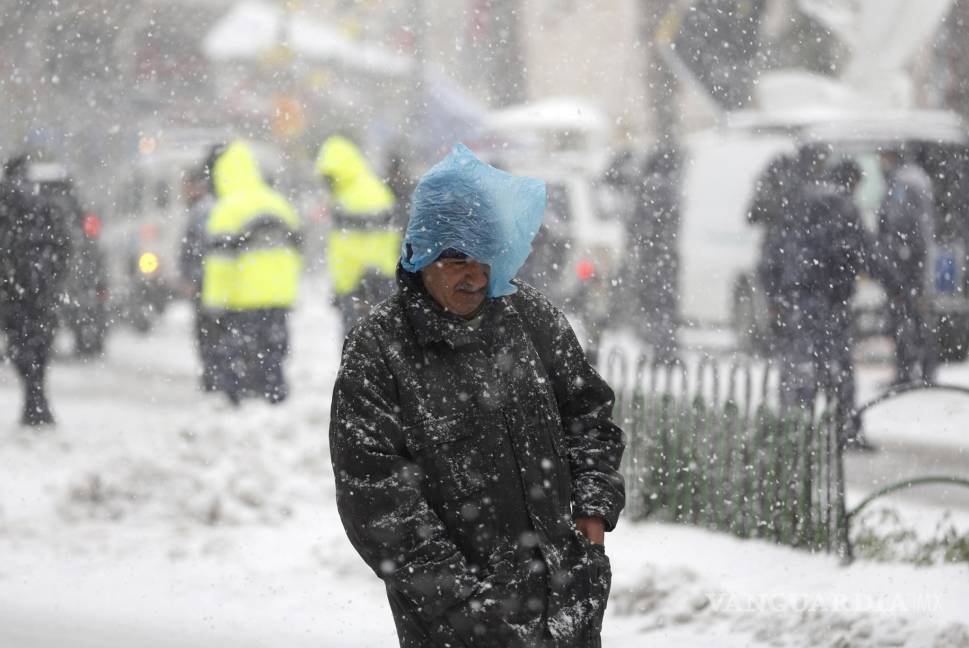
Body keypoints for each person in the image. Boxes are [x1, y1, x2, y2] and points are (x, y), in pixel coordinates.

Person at [330, 144, 626, 648]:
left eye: (484, 252)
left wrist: (590, 525)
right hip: (455, 630)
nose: (475, 273)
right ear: (421, 254)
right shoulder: (380, 350)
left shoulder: (529, 317)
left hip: (567, 612)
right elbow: (376, 497)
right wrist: (464, 604)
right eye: (454, 257)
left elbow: (588, 417)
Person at [770, 150, 871, 447]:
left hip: (799, 295)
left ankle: (796, 427)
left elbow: (776, 247)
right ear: (850, 180)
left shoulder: (799, 201)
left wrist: (777, 289)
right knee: (838, 365)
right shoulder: (845, 206)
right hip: (833, 298)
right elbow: (860, 250)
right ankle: (845, 428)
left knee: (799, 361)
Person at [200, 141, 302, 405]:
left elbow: (219, 266)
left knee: (240, 364)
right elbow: (296, 252)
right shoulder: (279, 204)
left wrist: (213, 306)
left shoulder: (226, 210)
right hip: (278, 298)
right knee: (273, 358)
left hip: (242, 301)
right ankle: (276, 404)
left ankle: (242, 409)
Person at [0, 154, 72, 425]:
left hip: (14, 289)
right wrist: (54, 278)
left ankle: (33, 397)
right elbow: (65, 244)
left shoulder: (6, 202)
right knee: (39, 345)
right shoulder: (47, 203)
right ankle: (37, 397)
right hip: (40, 290)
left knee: (21, 345)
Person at [315, 135, 400, 332]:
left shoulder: (364, 194)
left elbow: (374, 242)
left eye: (330, 176)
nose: (327, 183)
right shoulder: (349, 193)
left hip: (368, 284)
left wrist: (362, 280)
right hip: (360, 285)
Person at [873, 149, 937, 385]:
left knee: (904, 317)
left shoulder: (902, 182)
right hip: (913, 260)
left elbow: (898, 219)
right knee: (915, 316)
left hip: (905, 262)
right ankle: (924, 370)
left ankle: (907, 371)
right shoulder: (917, 178)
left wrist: (895, 253)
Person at [628, 145, 681, 363]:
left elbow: (636, 225)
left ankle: (655, 347)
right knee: (665, 303)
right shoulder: (669, 190)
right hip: (665, 255)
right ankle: (664, 348)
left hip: (651, 256)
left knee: (652, 303)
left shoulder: (648, 189)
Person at [179, 146, 222, 392]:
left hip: (208, 284)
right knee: (210, 336)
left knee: (209, 336)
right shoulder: (205, 208)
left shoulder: (202, 210)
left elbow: (198, 249)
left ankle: (213, 383)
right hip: (209, 282)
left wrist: (193, 278)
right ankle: (213, 381)